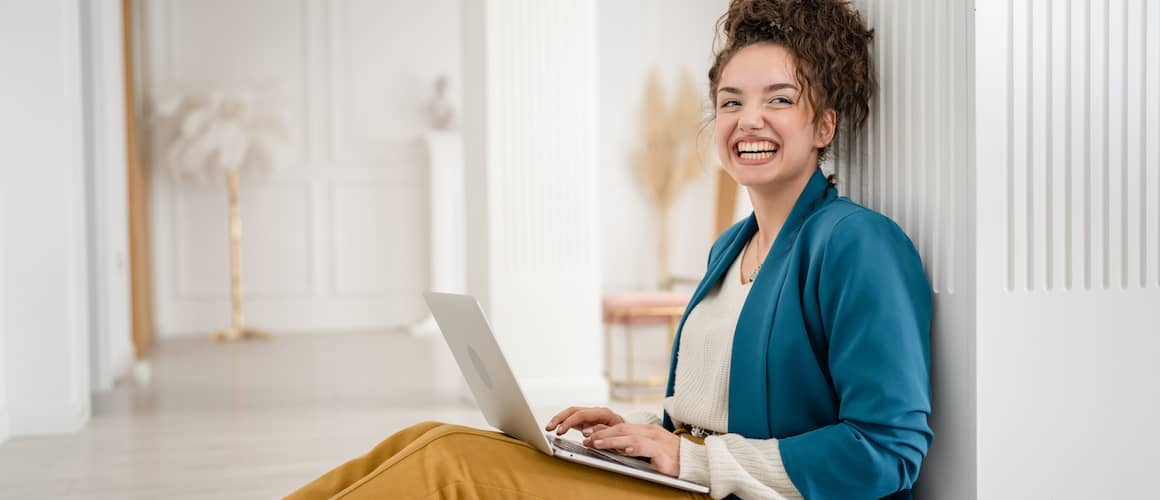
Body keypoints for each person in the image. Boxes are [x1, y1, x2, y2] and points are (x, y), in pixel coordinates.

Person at [287, 0, 930, 498]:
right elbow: (714, 414)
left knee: (448, 468)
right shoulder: (729, 249)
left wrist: (688, 458)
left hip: (730, 493)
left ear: (824, 125)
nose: (748, 120)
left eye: (779, 100)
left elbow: (886, 452)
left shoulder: (857, 244)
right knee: (424, 436)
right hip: (688, 479)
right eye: (731, 102)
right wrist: (636, 429)